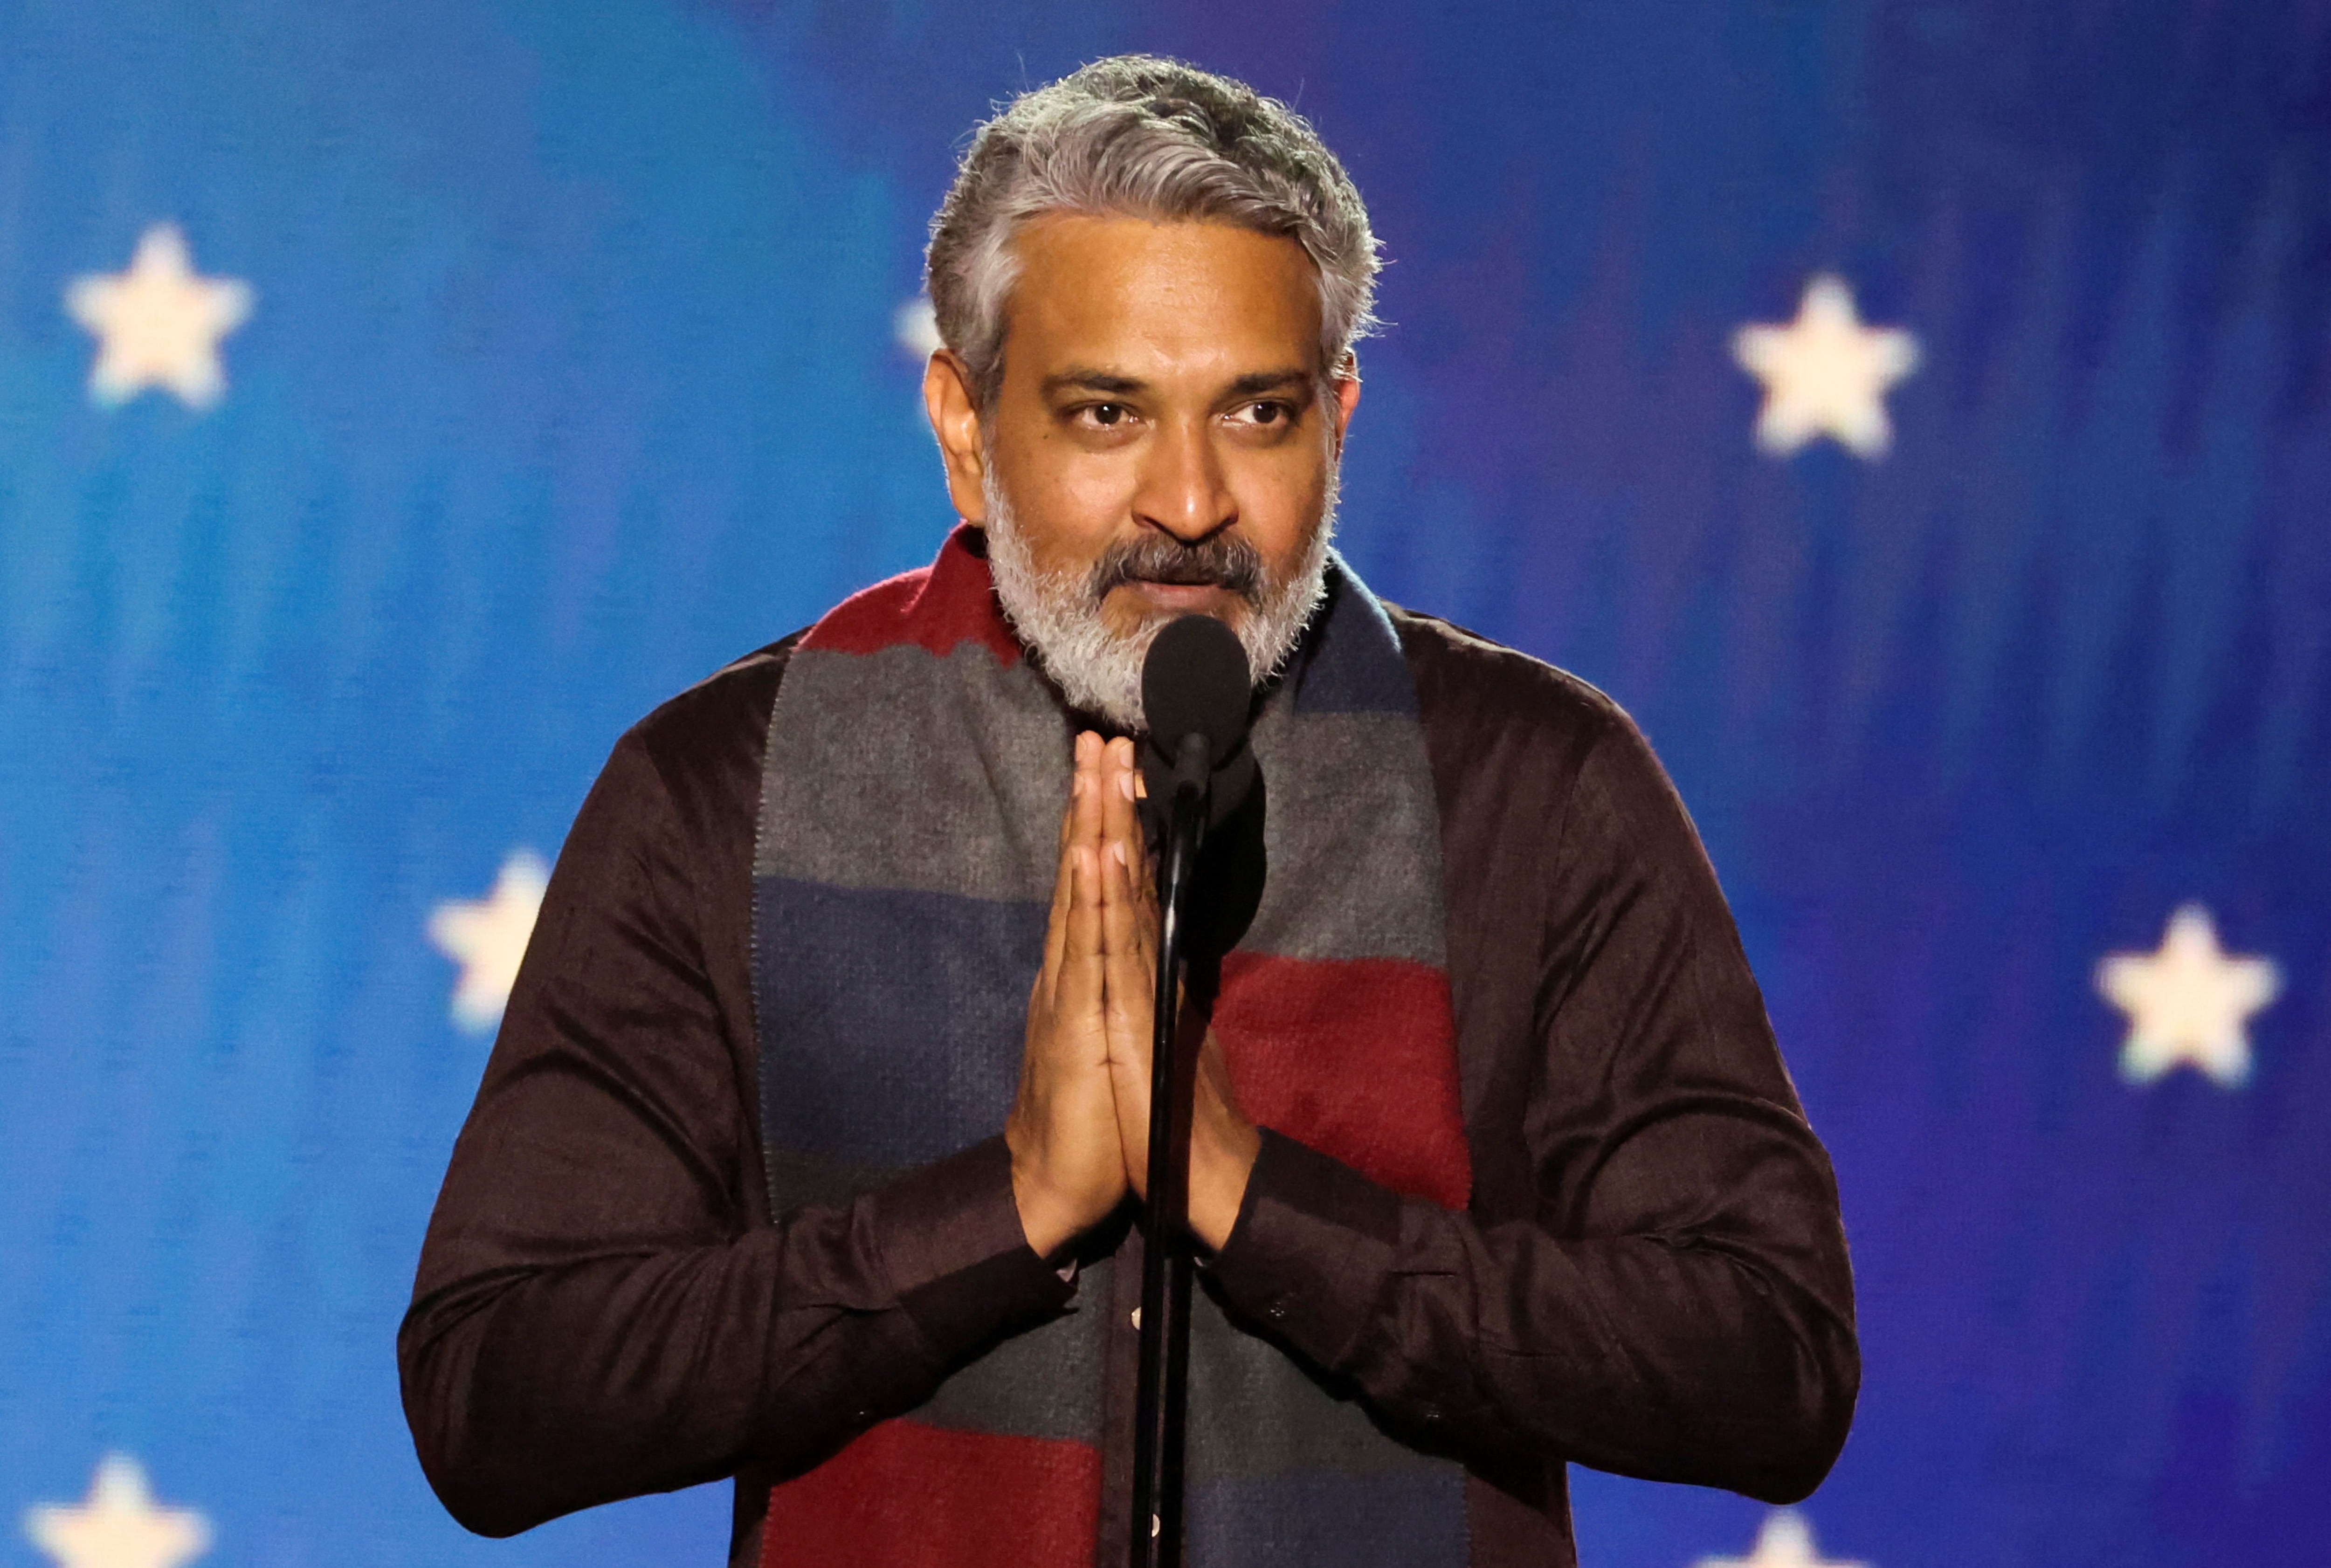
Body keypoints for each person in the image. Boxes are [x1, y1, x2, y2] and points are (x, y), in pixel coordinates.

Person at [398, 55, 1857, 1568]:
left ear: (1339, 421)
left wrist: (1251, 1198)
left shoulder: (1534, 784)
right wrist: (1011, 1207)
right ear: (966, 428)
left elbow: (1773, 1364)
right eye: (1107, 412)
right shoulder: (724, 786)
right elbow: (494, 1397)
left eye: (1259, 413)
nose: (1189, 501)